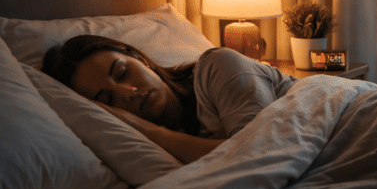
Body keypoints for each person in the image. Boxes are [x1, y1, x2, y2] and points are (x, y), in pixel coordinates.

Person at [42, 35, 295, 164]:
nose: (128, 93)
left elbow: (259, 153)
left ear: (137, 58)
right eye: (109, 100)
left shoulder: (218, 66)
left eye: (122, 72)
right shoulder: (138, 150)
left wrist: (152, 131)